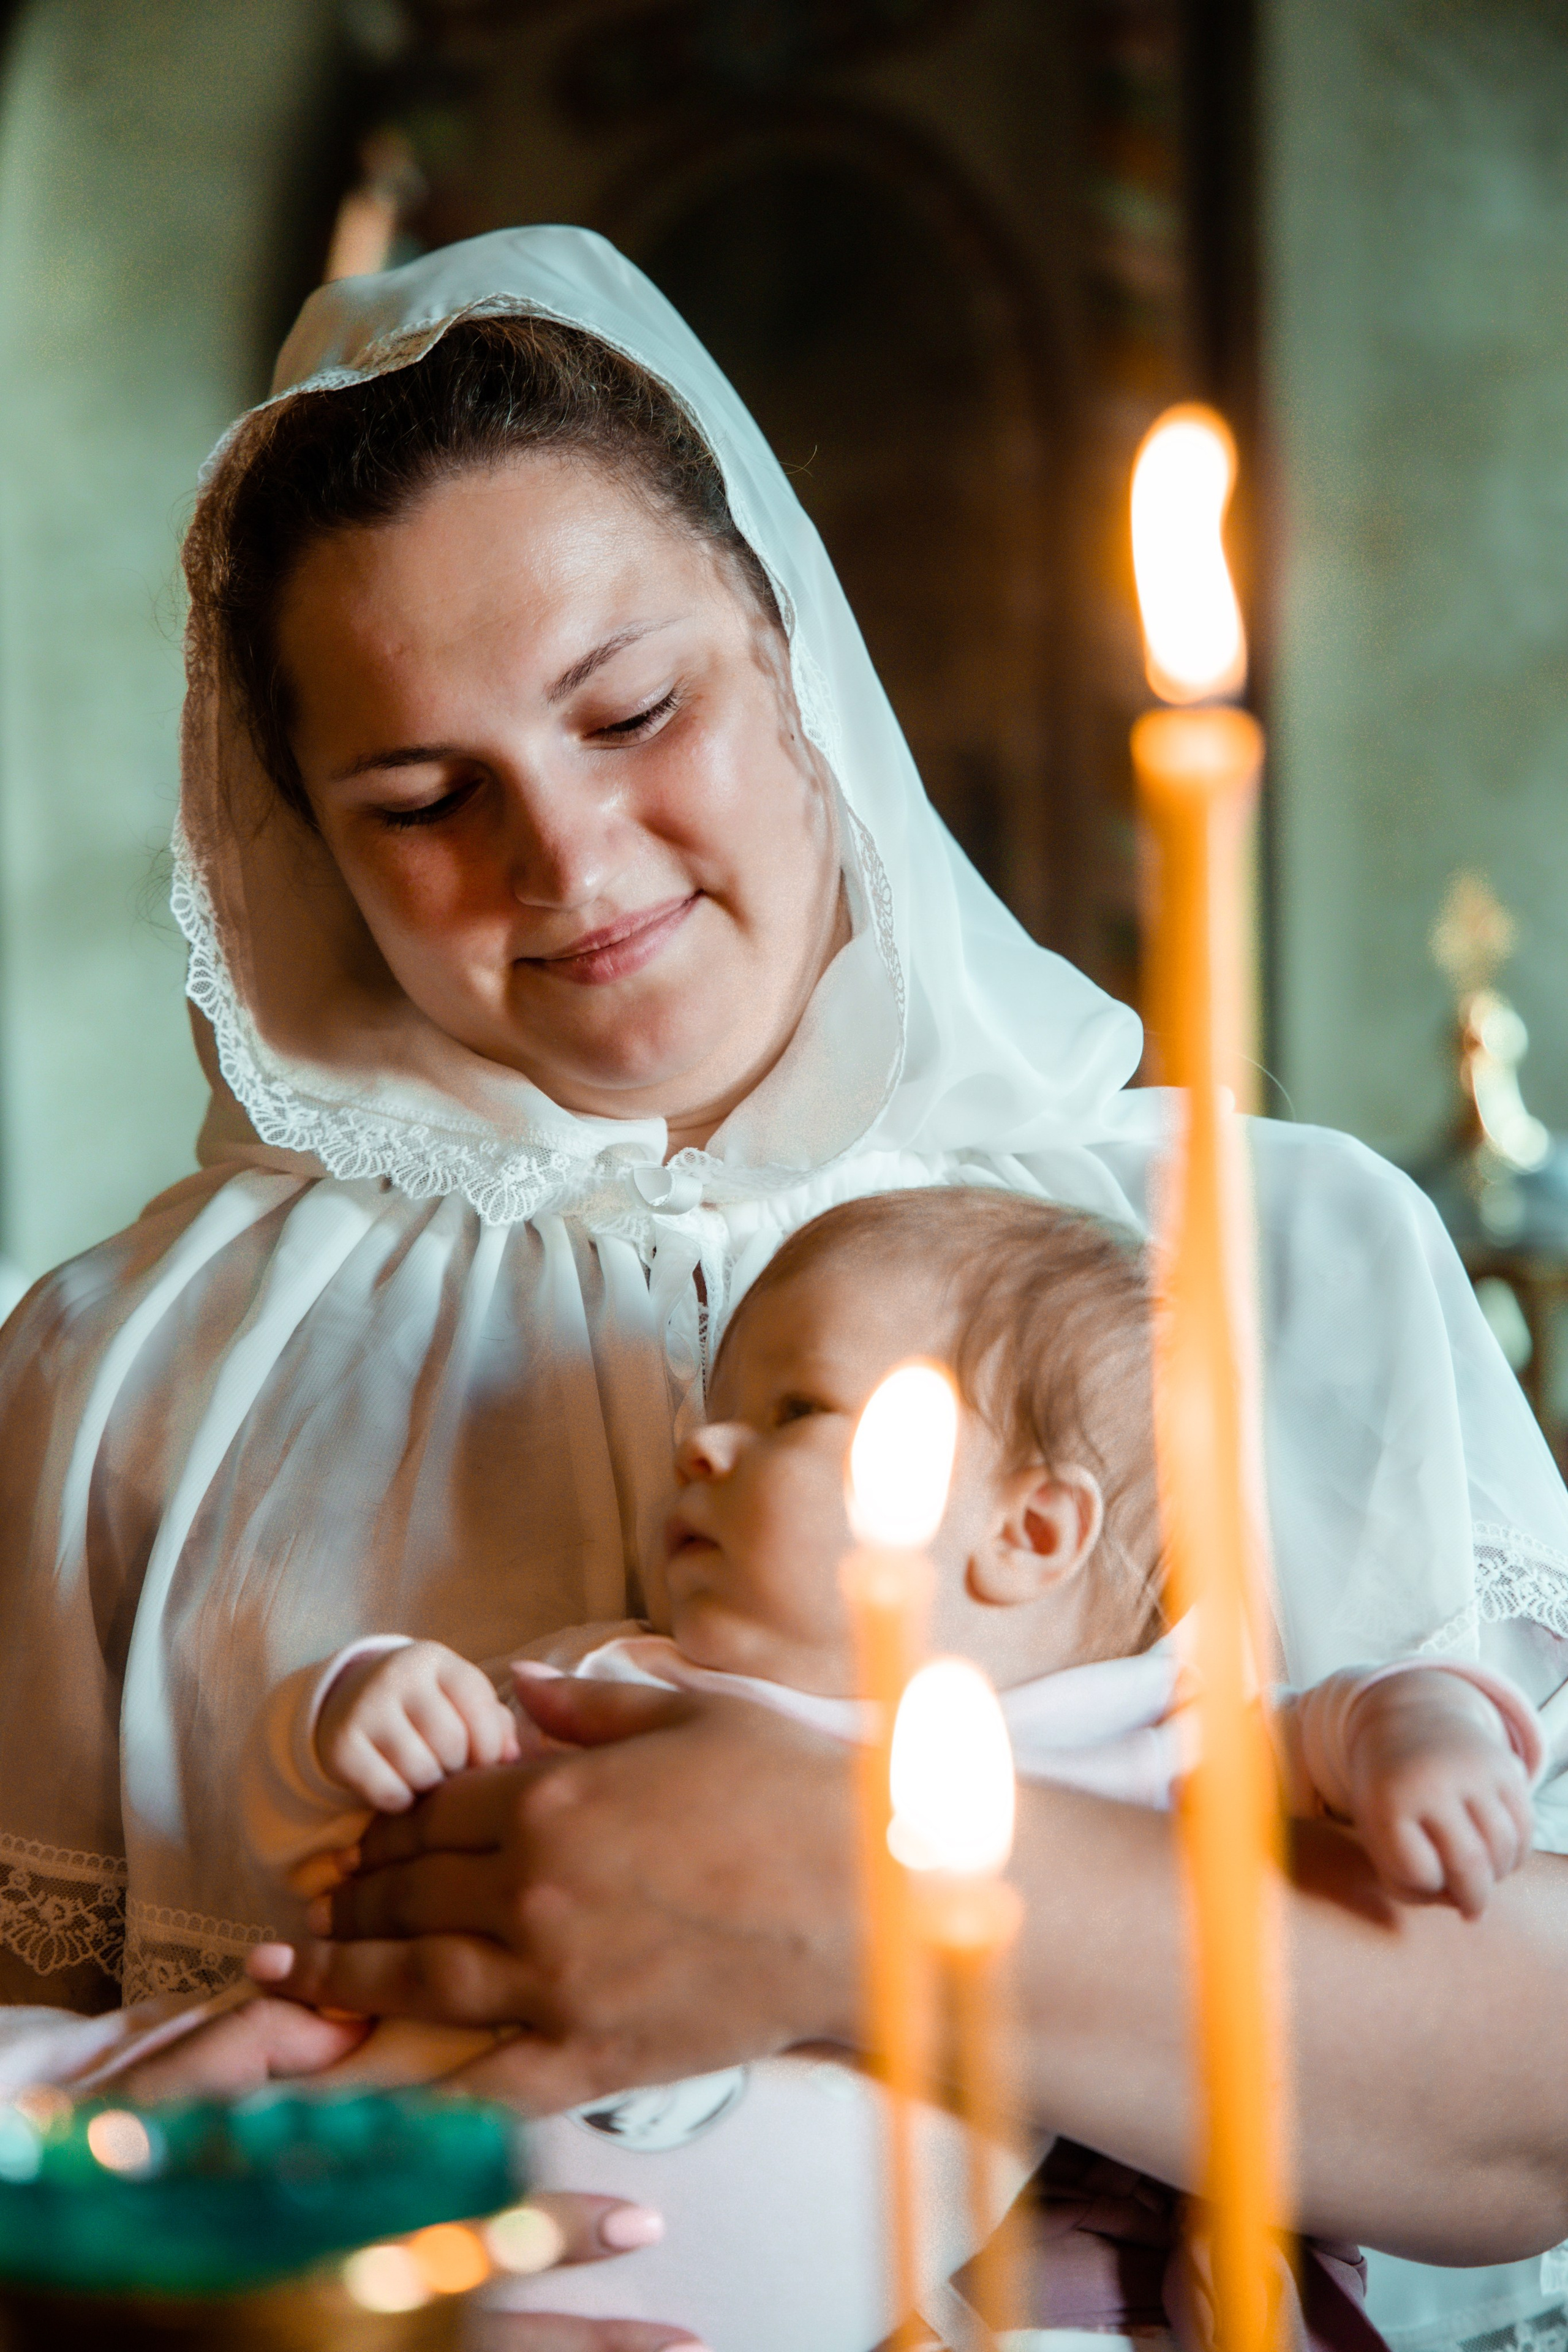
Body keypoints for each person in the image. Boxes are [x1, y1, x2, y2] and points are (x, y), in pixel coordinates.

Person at [2, 225, 1568, 2352]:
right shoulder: (123, 1373)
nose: (563, 861)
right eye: (421, 799)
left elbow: (1532, 2093)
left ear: (790, 640)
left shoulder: (1256, 1259)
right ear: (300, 841)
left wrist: (846, 1888)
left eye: (632, 709)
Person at [243, 1186, 1555, 2350]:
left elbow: (1336, 1722)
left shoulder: (1130, 1733)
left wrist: (1419, 1742)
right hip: (405, 2209)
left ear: (1030, 1529)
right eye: (712, 1417)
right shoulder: (619, 1684)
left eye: (792, 1412)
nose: (699, 1449)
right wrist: (368, 1702)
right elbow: (348, 1841)